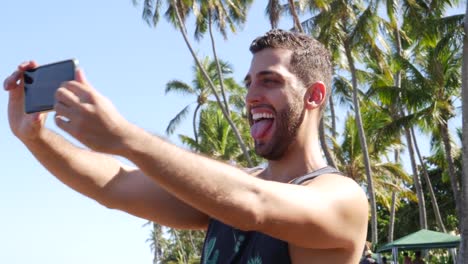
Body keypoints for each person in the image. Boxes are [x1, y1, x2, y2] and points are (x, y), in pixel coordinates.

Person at [4, 29, 369, 263]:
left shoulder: (342, 198)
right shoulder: (225, 193)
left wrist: (125, 137)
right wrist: (34, 138)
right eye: (249, 83)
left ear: (314, 96)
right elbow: (115, 185)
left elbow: (255, 204)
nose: (251, 96)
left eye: (270, 81)